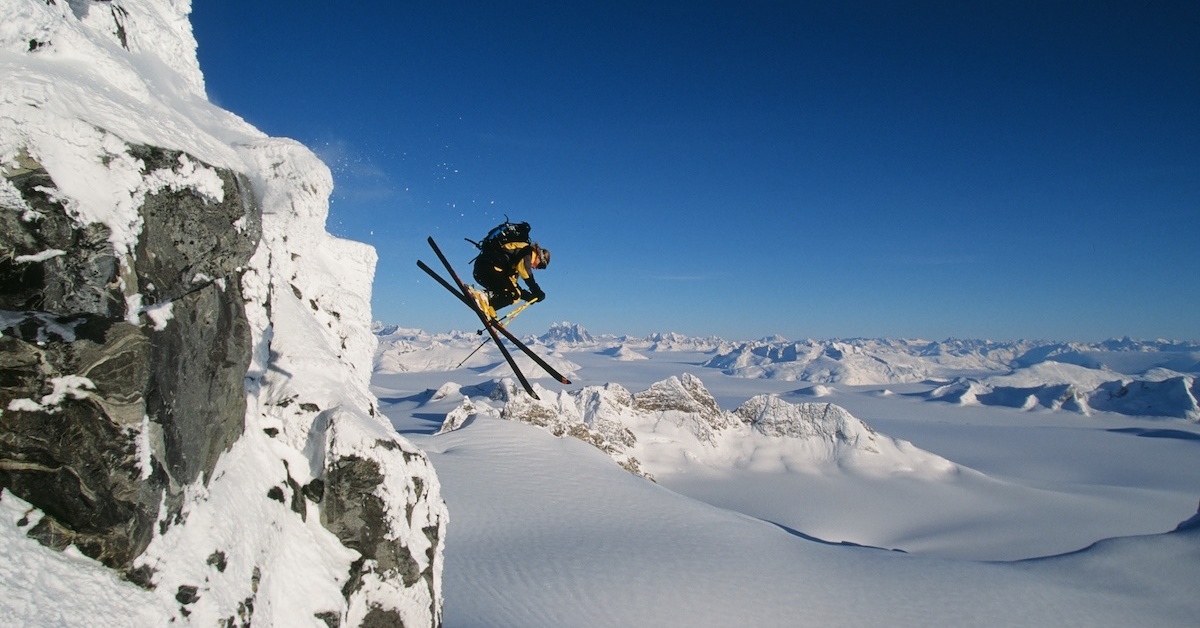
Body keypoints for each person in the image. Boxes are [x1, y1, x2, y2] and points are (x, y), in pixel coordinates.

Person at [469, 240, 550, 319]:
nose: (537, 268)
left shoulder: (517, 260)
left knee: (514, 294)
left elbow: (513, 284)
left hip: (483, 269)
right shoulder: (527, 253)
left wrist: (528, 296)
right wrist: (536, 290)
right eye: (540, 265)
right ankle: (483, 298)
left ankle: (488, 305)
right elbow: (525, 272)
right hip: (488, 267)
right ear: (539, 257)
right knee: (514, 294)